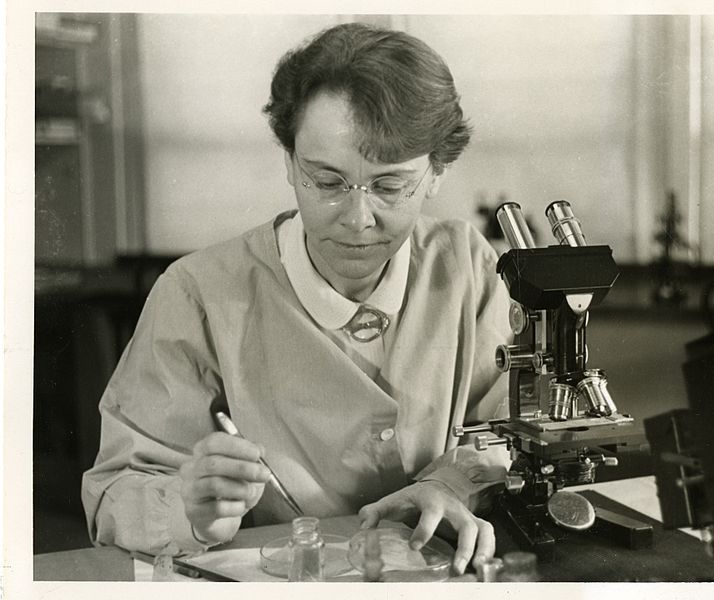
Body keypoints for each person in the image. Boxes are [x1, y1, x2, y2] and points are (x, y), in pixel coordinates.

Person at [82, 21, 512, 576]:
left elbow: (511, 430)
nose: (358, 221)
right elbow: (114, 490)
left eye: (389, 186)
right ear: (288, 161)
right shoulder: (197, 294)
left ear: (436, 173)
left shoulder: (468, 266)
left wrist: (450, 482)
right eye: (327, 182)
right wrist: (186, 508)